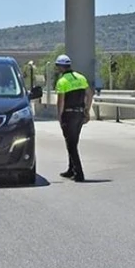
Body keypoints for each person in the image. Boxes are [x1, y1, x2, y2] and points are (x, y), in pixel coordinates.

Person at [54, 54, 94, 182]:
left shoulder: (62, 81)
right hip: (79, 114)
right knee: (74, 142)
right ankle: (70, 169)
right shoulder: (81, 77)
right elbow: (90, 94)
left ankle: (79, 173)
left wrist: (59, 116)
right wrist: (87, 110)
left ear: (60, 67)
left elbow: (61, 101)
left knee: (71, 145)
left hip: (69, 115)